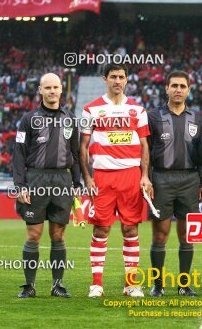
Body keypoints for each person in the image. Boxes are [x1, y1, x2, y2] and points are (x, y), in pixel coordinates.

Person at [80, 64, 152, 298]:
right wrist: (87, 177)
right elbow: (82, 147)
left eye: (121, 77)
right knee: (101, 229)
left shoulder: (138, 110)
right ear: (105, 79)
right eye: (113, 77)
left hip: (131, 176)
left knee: (130, 229)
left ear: (127, 80)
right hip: (102, 177)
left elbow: (144, 145)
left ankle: (131, 284)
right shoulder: (90, 110)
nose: (117, 81)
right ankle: (96, 284)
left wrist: (144, 176)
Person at [12, 73, 81, 298]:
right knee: (33, 234)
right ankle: (29, 285)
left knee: (58, 235)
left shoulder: (71, 119)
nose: (52, 91)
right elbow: (19, 155)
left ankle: (57, 285)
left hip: (62, 180)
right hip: (35, 180)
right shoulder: (29, 119)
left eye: (56, 87)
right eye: (47, 88)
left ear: (62, 90)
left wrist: (78, 184)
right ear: (40, 91)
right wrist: (20, 185)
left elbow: (76, 154)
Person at [147, 70, 202, 297]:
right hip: (162, 179)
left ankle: (184, 285)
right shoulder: (153, 116)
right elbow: (146, 152)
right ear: (166, 88)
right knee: (160, 235)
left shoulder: (197, 118)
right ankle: (158, 285)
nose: (178, 90)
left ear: (189, 90)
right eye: (174, 86)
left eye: (183, 86)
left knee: (186, 235)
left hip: (189, 180)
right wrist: (147, 177)